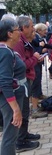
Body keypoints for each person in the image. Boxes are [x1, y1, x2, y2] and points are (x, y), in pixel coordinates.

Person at [13, 16, 41, 152]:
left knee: (25, 110)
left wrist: (34, 58)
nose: (33, 29)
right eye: (31, 26)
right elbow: (21, 65)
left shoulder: (24, 40)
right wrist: (34, 59)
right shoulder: (18, 42)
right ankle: (19, 141)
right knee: (22, 110)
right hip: (21, 81)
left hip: (26, 79)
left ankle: (24, 135)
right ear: (23, 28)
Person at [0, 18, 25, 155]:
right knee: (10, 135)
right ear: (9, 34)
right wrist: (15, 109)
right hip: (9, 99)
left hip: (12, 96)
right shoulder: (5, 52)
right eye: (17, 30)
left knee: (11, 134)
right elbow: (5, 82)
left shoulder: (7, 50)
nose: (20, 33)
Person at [32, 23, 52, 103]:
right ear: (39, 30)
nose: (46, 32)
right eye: (44, 30)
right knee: (36, 80)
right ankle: (35, 98)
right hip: (35, 61)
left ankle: (39, 94)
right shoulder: (35, 37)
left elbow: (46, 46)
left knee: (39, 78)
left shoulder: (40, 37)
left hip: (40, 60)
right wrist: (41, 48)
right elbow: (37, 50)